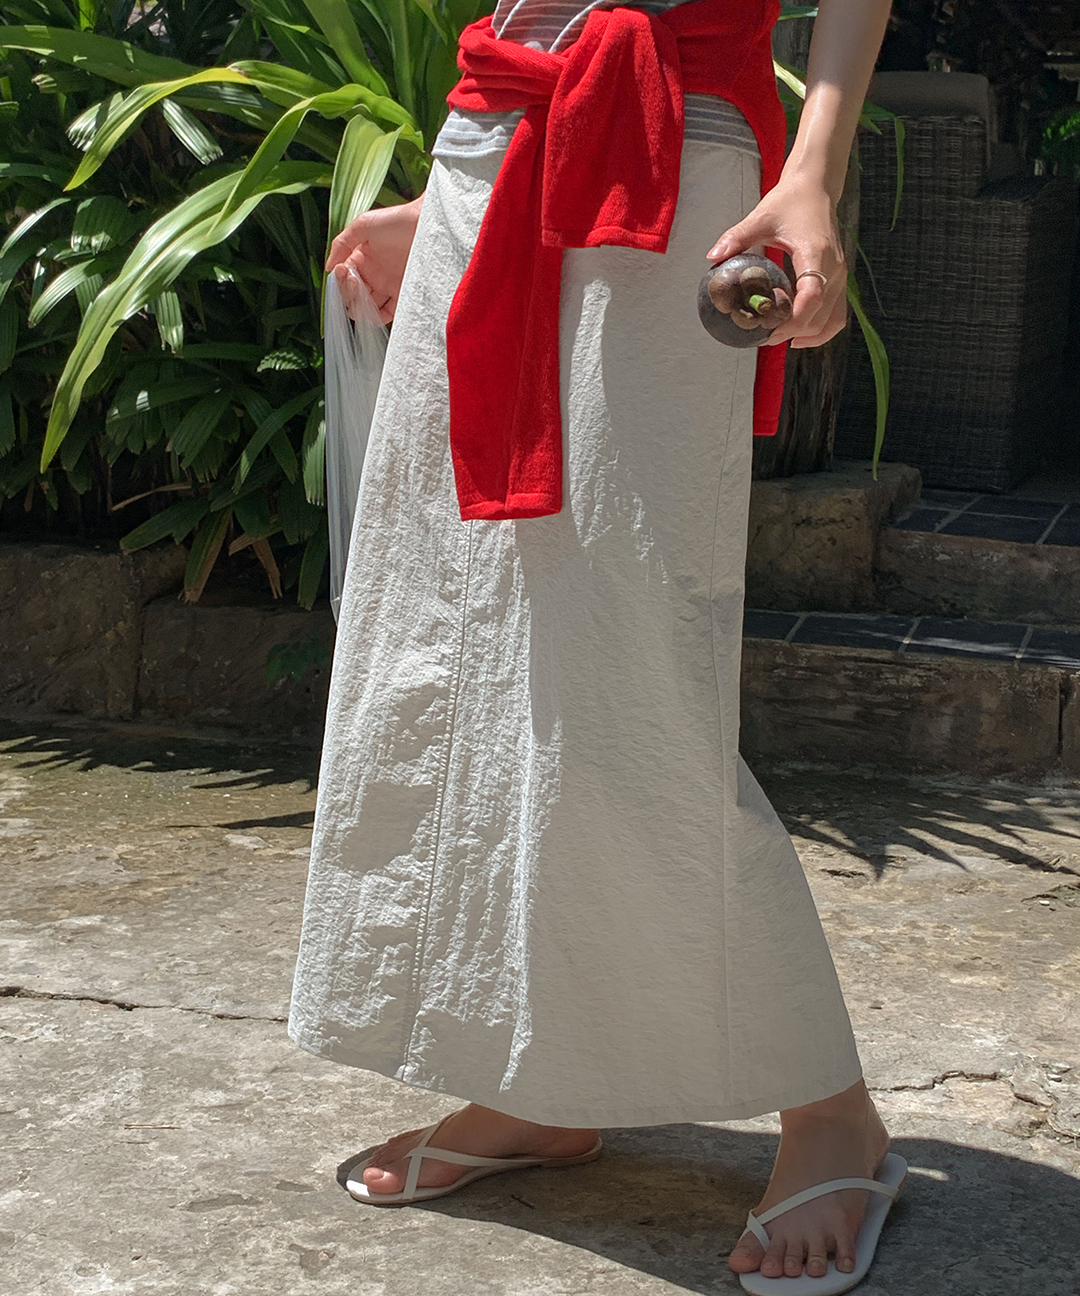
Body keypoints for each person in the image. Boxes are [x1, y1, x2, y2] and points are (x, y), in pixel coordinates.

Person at [289, 0, 902, 1289]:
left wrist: (812, 173)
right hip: (495, 146)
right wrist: (445, 193)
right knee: (465, 649)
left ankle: (831, 1109)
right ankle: (542, 1083)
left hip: (676, 167)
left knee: (632, 677)